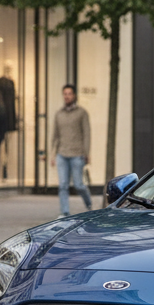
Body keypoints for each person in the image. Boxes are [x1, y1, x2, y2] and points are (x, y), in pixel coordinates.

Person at [50, 84, 93, 217]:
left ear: (74, 96)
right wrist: (52, 154)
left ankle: (89, 203)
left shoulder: (82, 113)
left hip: (77, 154)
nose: (67, 96)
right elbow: (55, 135)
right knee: (63, 185)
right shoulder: (59, 114)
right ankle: (65, 212)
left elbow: (87, 134)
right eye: (65, 94)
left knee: (79, 185)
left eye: (69, 93)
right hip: (62, 154)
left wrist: (86, 153)